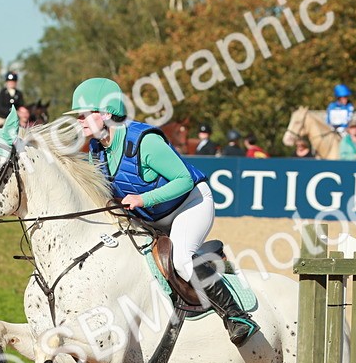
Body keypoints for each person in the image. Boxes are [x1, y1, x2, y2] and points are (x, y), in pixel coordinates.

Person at [68, 77, 258, 346]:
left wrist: (143, 199)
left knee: (180, 259)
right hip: (152, 215)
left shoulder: (144, 142)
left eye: (85, 114)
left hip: (190, 204)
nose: (80, 121)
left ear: (107, 113)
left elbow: (184, 180)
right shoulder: (96, 150)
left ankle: (237, 316)